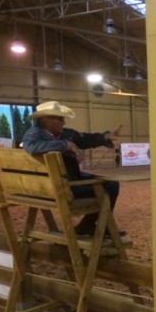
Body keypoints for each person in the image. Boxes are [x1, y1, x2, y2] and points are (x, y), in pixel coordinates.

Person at [22, 101, 124, 237]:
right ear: (46, 121)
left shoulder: (64, 134)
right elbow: (32, 147)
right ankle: (90, 227)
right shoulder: (33, 134)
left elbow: (85, 139)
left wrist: (105, 137)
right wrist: (66, 145)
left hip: (61, 181)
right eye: (60, 119)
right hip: (59, 186)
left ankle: (88, 226)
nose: (64, 122)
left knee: (112, 185)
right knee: (105, 192)